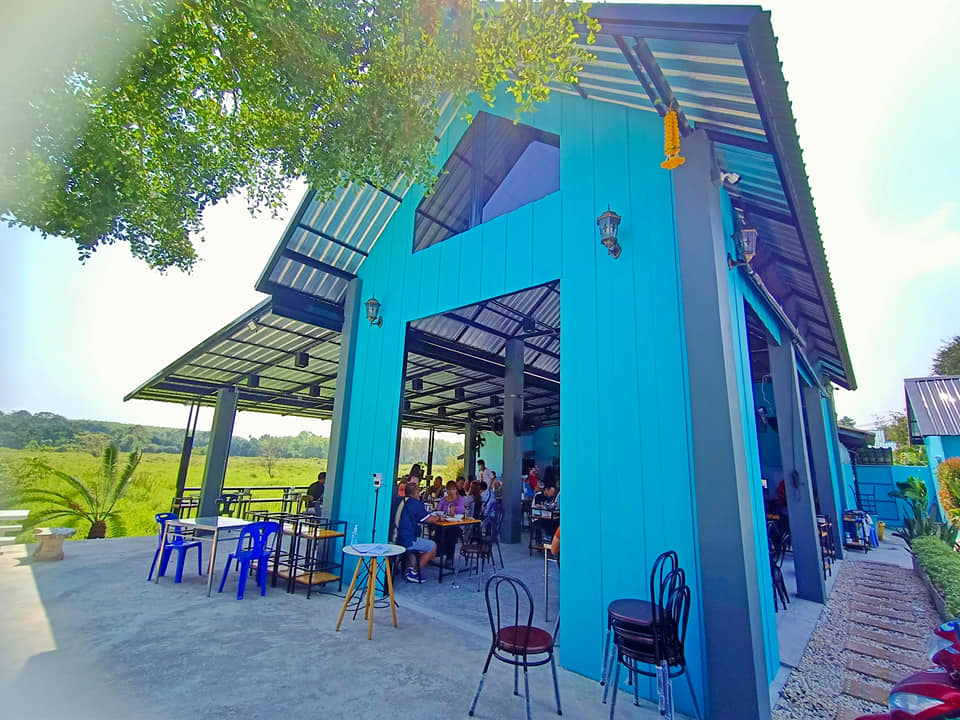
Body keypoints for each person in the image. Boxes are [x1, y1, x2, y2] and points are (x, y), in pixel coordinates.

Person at [392, 481, 439, 583]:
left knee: (417, 544)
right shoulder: (416, 503)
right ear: (416, 493)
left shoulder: (399, 501)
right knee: (432, 546)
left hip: (395, 537)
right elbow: (428, 519)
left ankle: (410, 566)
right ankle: (414, 572)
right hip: (407, 539)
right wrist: (439, 518)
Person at [436, 481, 465, 565]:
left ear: (456, 490)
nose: (451, 491)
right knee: (437, 532)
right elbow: (439, 509)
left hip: (456, 525)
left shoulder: (460, 499)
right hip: (444, 523)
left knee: (452, 533)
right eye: (449, 489)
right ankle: (437, 552)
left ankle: (449, 556)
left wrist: (454, 508)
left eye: (453, 489)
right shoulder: (443, 499)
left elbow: (462, 509)